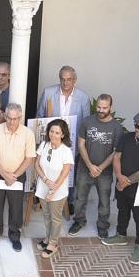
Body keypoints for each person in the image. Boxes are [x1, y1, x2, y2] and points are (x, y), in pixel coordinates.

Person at [103, 111, 139, 265]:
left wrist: (125, 181)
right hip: (123, 184)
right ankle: (121, 235)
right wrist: (120, 177)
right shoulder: (127, 137)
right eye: (137, 126)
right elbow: (117, 157)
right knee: (122, 210)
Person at [36, 65, 91, 215]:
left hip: (71, 142)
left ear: (75, 80)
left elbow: (85, 123)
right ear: (59, 79)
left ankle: (68, 201)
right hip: (52, 139)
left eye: (69, 79)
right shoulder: (48, 92)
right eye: (63, 79)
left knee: (69, 170)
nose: (66, 83)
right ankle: (45, 196)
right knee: (49, 167)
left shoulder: (83, 97)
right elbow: (40, 115)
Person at [68, 94, 123, 239]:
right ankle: (79, 221)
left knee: (104, 201)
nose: (101, 110)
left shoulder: (117, 127)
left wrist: (100, 168)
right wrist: (90, 166)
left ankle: (102, 225)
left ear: (111, 107)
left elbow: (116, 152)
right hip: (84, 169)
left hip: (104, 172)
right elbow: (80, 145)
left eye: (104, 108)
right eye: (99, 107)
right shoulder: (87, 122)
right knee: (79, 199)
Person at [0, 103, 36, 251]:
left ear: (20, 117)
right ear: (5, 116)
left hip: (17, 176)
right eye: (9, 118)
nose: (12, 122)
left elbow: (29, 159)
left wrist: (13, 176)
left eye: (15, 119)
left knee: (16, 208)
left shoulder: (28, 134)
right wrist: (4, 174)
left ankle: (15, 236)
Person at [34, 119, 74, 258]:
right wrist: (45, 179)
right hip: (43, 187)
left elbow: (65, 172)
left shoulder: (66, 150)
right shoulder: (44, 145)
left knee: (55, 218)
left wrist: (53, 190)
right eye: (51, 131)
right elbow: (37, 165)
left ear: (63, 135)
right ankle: (47, 238)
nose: (53, 135)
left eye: (57, 132)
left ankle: (53, 243)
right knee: (46, 216)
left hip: (58, 190)